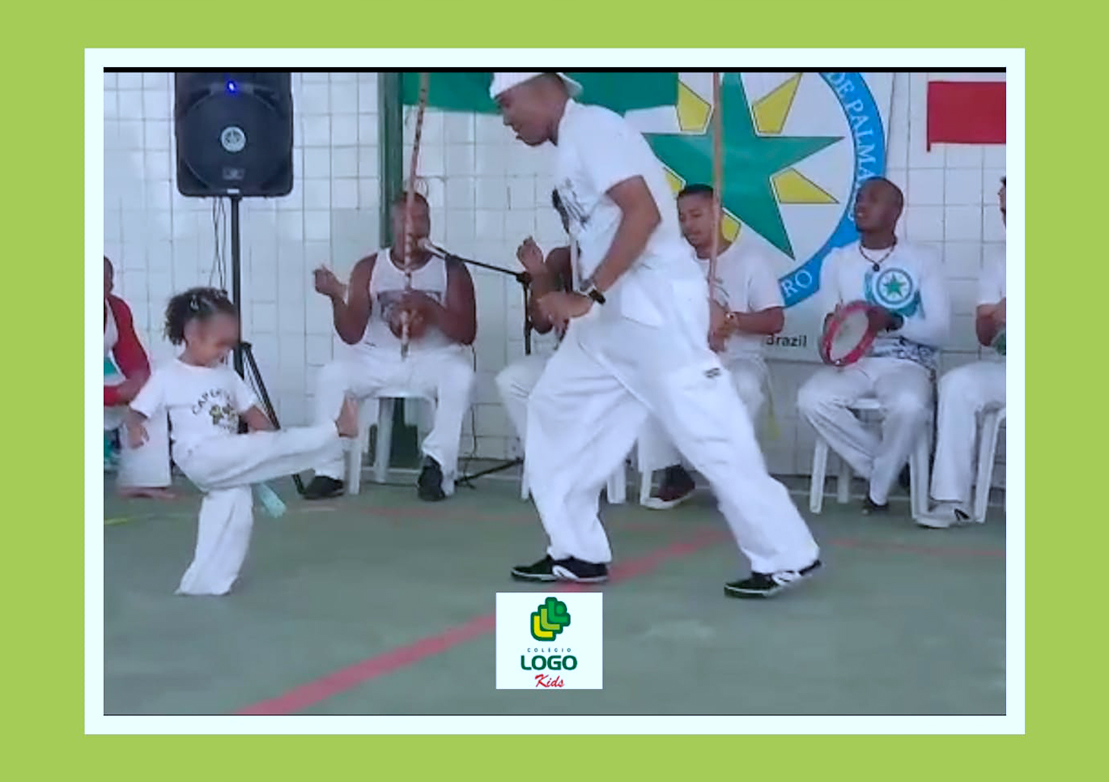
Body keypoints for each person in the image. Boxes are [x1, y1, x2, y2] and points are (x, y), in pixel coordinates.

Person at [493, 72, 820, 598]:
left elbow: (642, 214)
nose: (505, 119)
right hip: (609, 323)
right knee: (553, 410)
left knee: (709, 430)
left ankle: (786, 554)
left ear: (542, 86)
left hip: (653, 311)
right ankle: (576, 551)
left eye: (508, 103)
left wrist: (588, 295)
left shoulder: (594, 128)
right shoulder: (572, 144)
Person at [127, 287, 359, 596]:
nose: (225, 352)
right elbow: (137, 410)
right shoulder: (168, 375)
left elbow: (252, 413)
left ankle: (206, 584)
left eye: (230, 345)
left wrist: (267, 440)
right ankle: (336, 430)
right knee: (274, 448)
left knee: (235, 511)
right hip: (200, 456)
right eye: (219, 344)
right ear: (192, 334)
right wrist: (135, 427)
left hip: (228, 459)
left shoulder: (226, 376)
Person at [303, 192, 477, 502]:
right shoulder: (369, 268)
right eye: (407, 219)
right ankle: (328, 471)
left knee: (461, 377)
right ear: (393, 224)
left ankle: (437, 466)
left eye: (422, 219)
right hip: (376, 359)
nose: (415, 227)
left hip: (433, 358)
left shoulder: (451, 269)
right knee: (331, 375)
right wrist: (335, 298)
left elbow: (466, 333)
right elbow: (352, 334)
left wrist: (428, 305)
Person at [798, 178, 951, 514]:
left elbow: (941, 331)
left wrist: (894, 322)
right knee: (812, 399)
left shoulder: (923, 259)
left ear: (896, 211)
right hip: (855, 363)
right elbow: (828, 327)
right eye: (859, 198)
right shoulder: (837, 261)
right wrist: (834, 331)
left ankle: (878, 489)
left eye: (873, 199)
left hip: (907, 363)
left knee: (909, 405)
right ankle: (890, 468)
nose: (861, 205)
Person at [641, 184, 786, 509]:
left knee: (745, 386)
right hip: (689, 357)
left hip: (739, 357)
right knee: (649, 383)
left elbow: (775, 321)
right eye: (682, 218)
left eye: (696, 215)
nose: (688, 224)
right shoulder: (674, 263)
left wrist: (730, 320)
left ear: (717, 213)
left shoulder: (750, 260)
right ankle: (675, 472)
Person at [920, 177, 1006, 527]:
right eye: (1005, 211)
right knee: (957, 383)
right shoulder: (1000, 260)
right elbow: (984, 337)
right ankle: (951, 500)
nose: (1010, 220)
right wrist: (996, 315)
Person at [495, 189, 575, 447]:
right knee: (511, 381)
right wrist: (539, 273)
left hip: (611, 362)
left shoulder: (616, 254)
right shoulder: (561, 258)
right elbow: (541, 324)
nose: (571, 221)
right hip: (569, 358)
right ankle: (544, 460)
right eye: (565, 214)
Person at [103, 255, 174, 499]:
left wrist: (139, 384)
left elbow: (132, 357)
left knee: (152, 398)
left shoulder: (117, 309)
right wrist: (115, 395)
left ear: (110, 285)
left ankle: (143, 479)